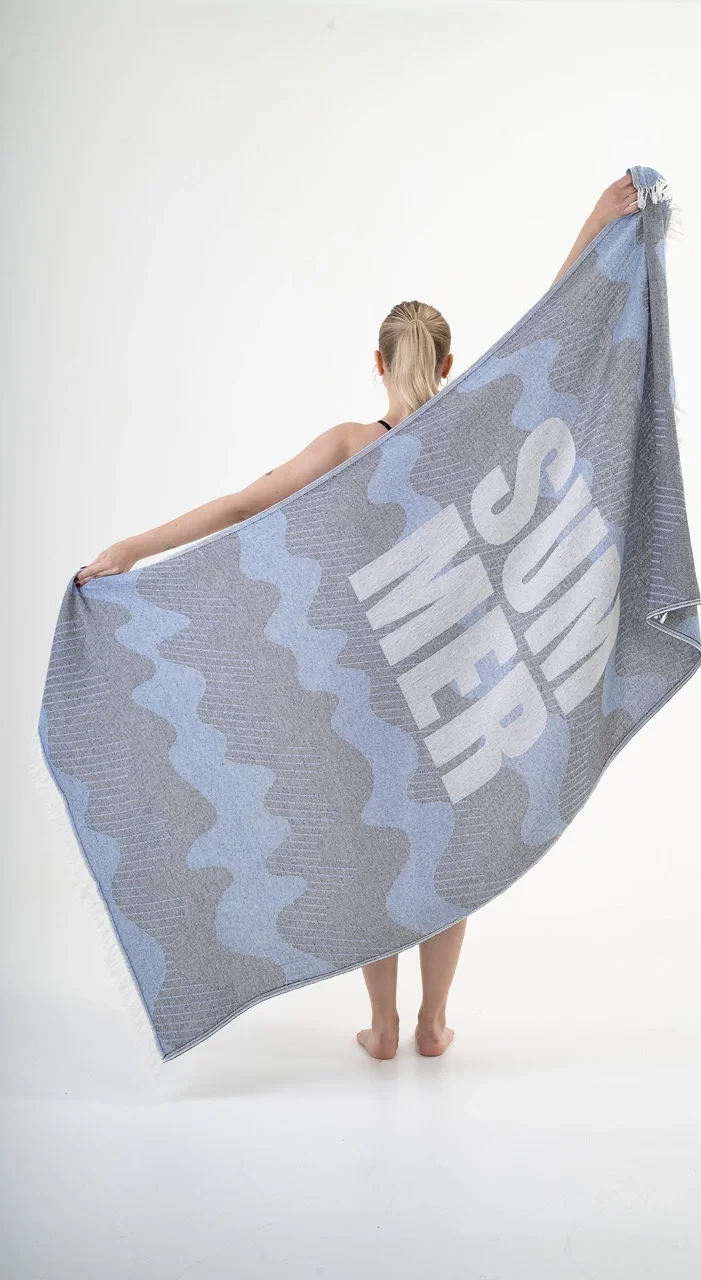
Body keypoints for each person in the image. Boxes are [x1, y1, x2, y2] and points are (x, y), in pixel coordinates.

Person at [73, 173, 638, 1059]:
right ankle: (434, 1023)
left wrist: (133, 549)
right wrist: (601, 219)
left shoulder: (346, 444)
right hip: (454, 681)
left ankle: (381, 1026)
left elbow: (243, 504)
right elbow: (552, 332)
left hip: (366, 691)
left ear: (378, 363)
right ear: (448, 366)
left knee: (385, 863)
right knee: (448, 856)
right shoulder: (471, 426)